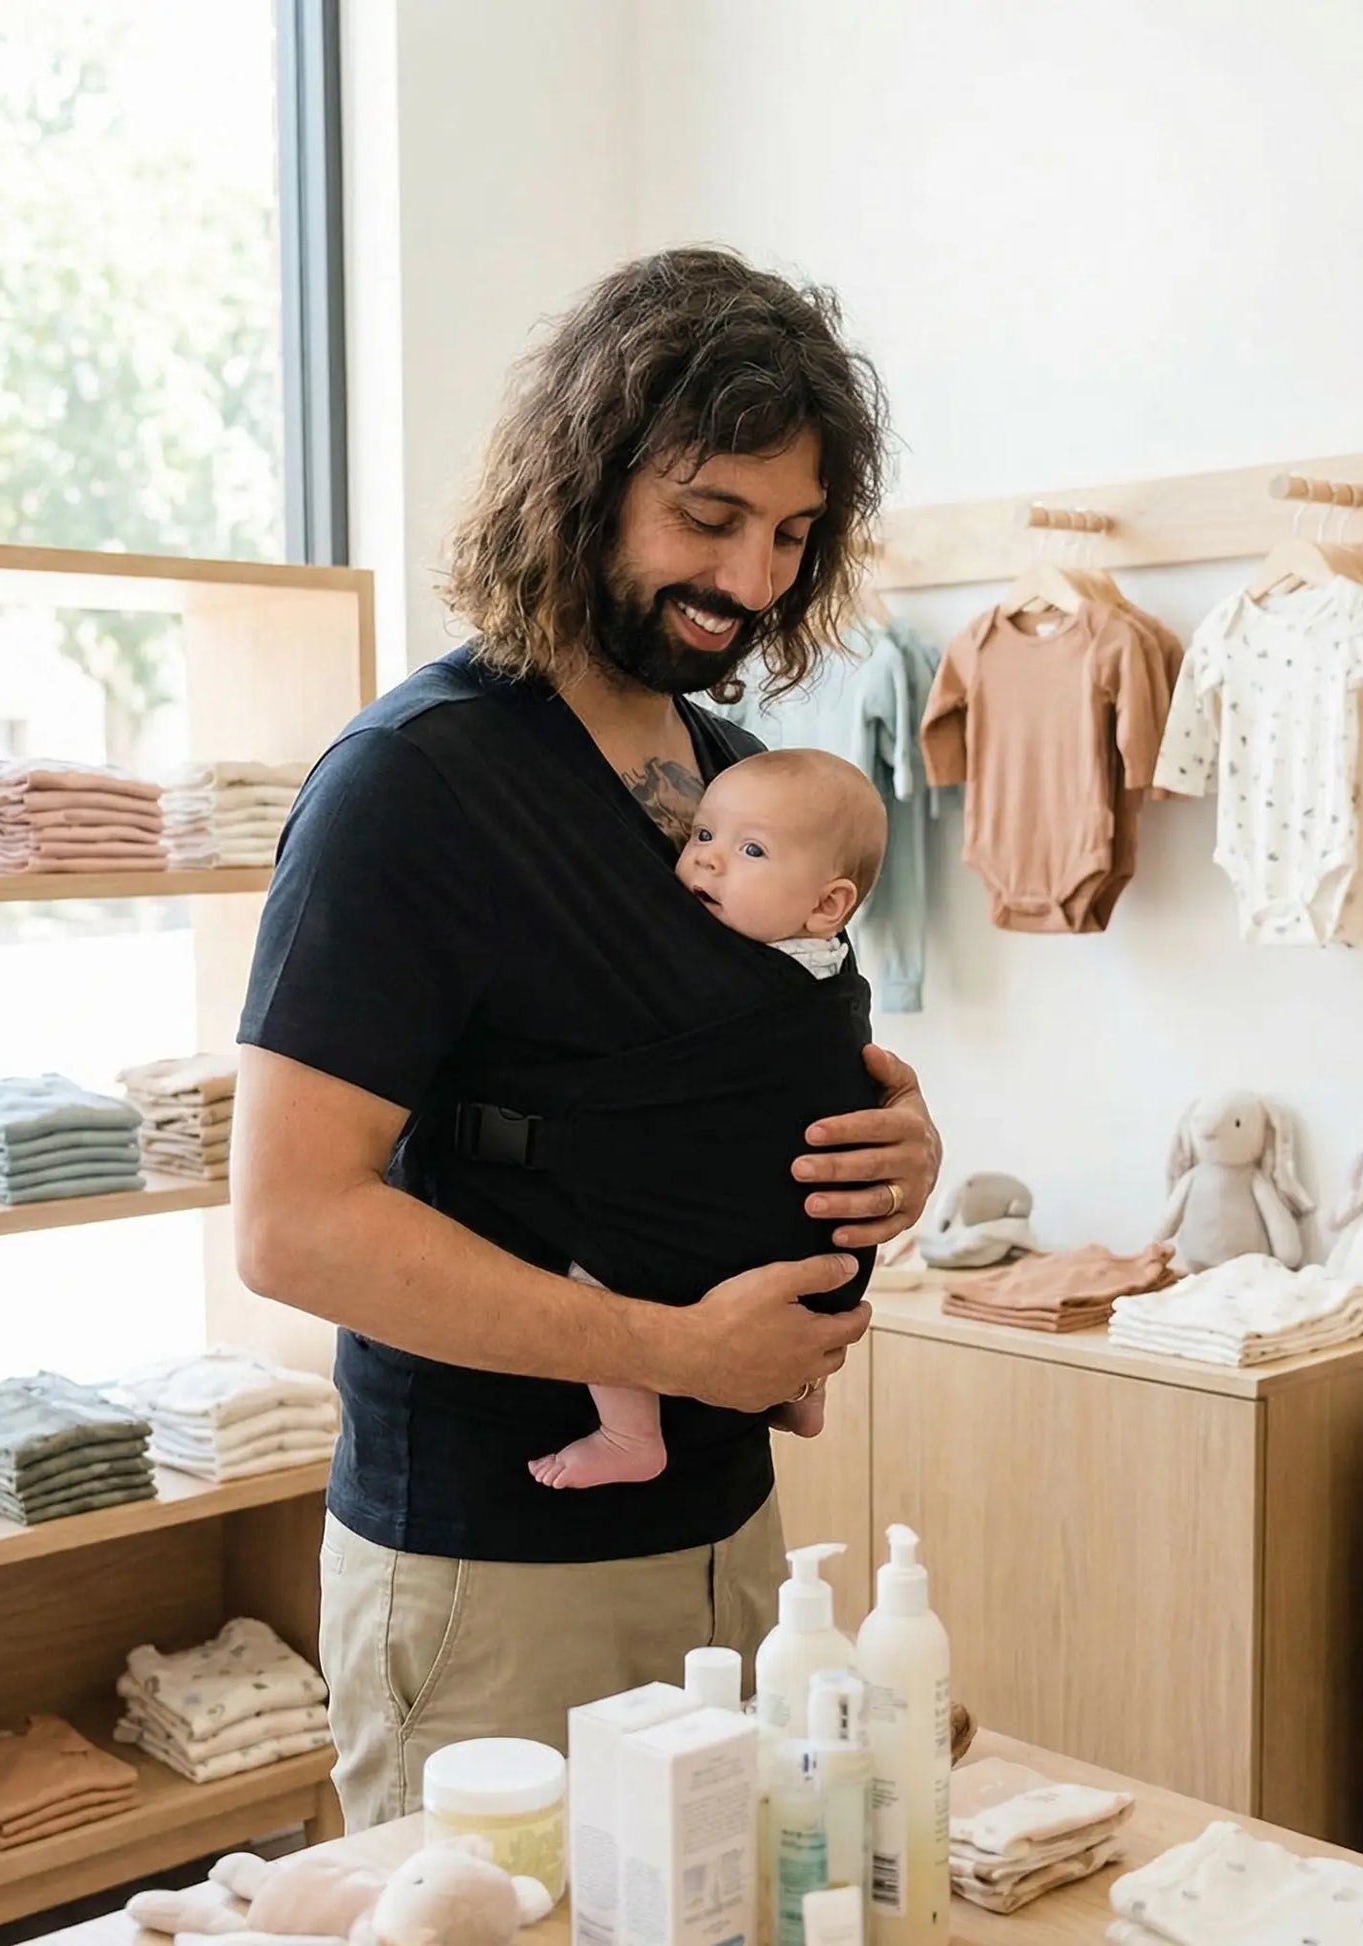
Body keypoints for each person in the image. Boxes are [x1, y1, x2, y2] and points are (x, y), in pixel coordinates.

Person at [233, 246, 942, 1828]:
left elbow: (754, 1077)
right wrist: (676, 1353)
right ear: (583, 479)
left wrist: (896, 1144)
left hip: (734, 1537)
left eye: (791, 535)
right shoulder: (411, 787)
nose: (750, 580)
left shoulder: (744, 780)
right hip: (493, 1566)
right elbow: (290, 1227)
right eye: (709, 518)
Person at [530, 747, 891, 1491]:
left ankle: (630, 1432)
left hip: (741, 1226)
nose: (710, 863)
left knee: (592, 1277)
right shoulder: (824, 966)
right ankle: (805, 1391)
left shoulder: (726, 978)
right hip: (821, 1252)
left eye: (750, 850)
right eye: (702, 837)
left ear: (828, 906)